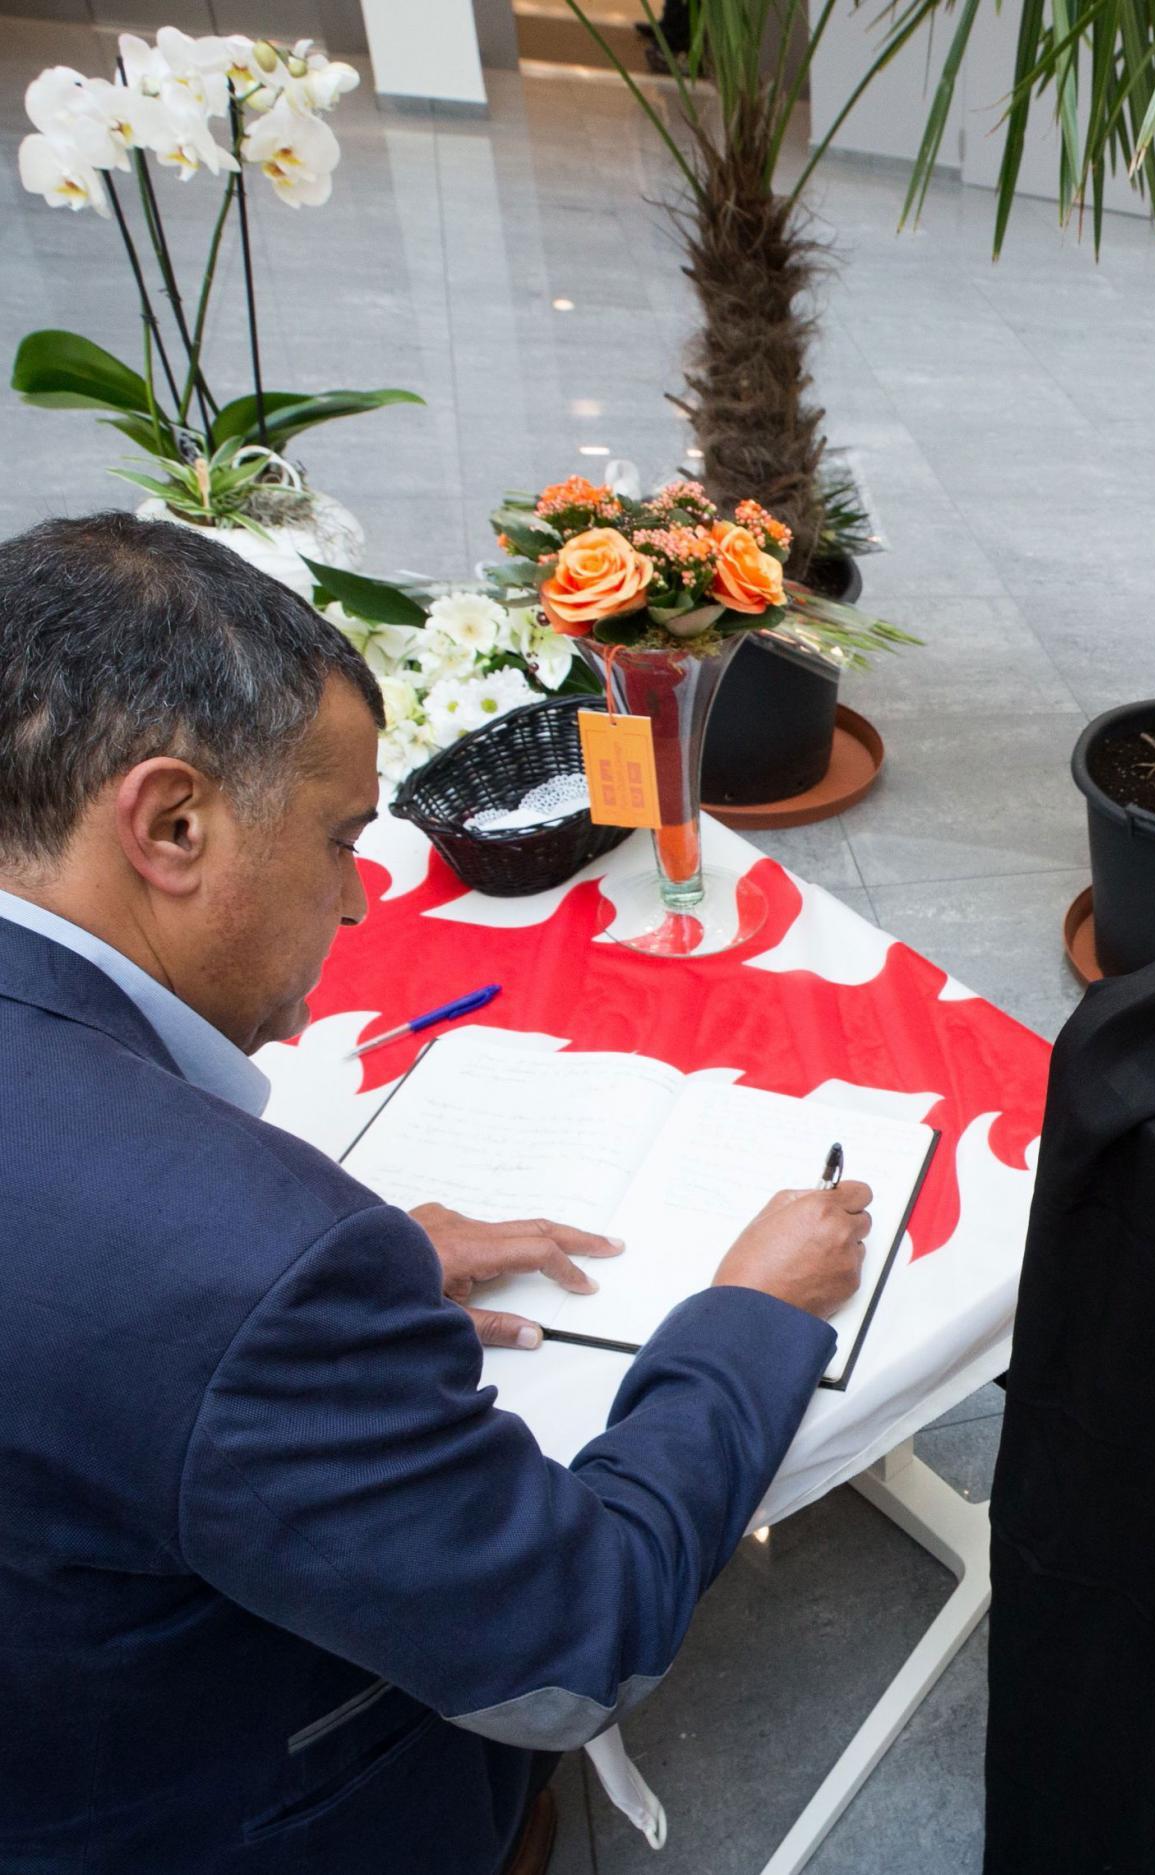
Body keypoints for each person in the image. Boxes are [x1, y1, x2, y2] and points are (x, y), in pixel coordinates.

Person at [0, 514, 874, 1874]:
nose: (355, 905)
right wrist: (746, 1314)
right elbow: (576, 1640)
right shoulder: (247, 1264)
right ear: (174, 823)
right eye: (342, 839)